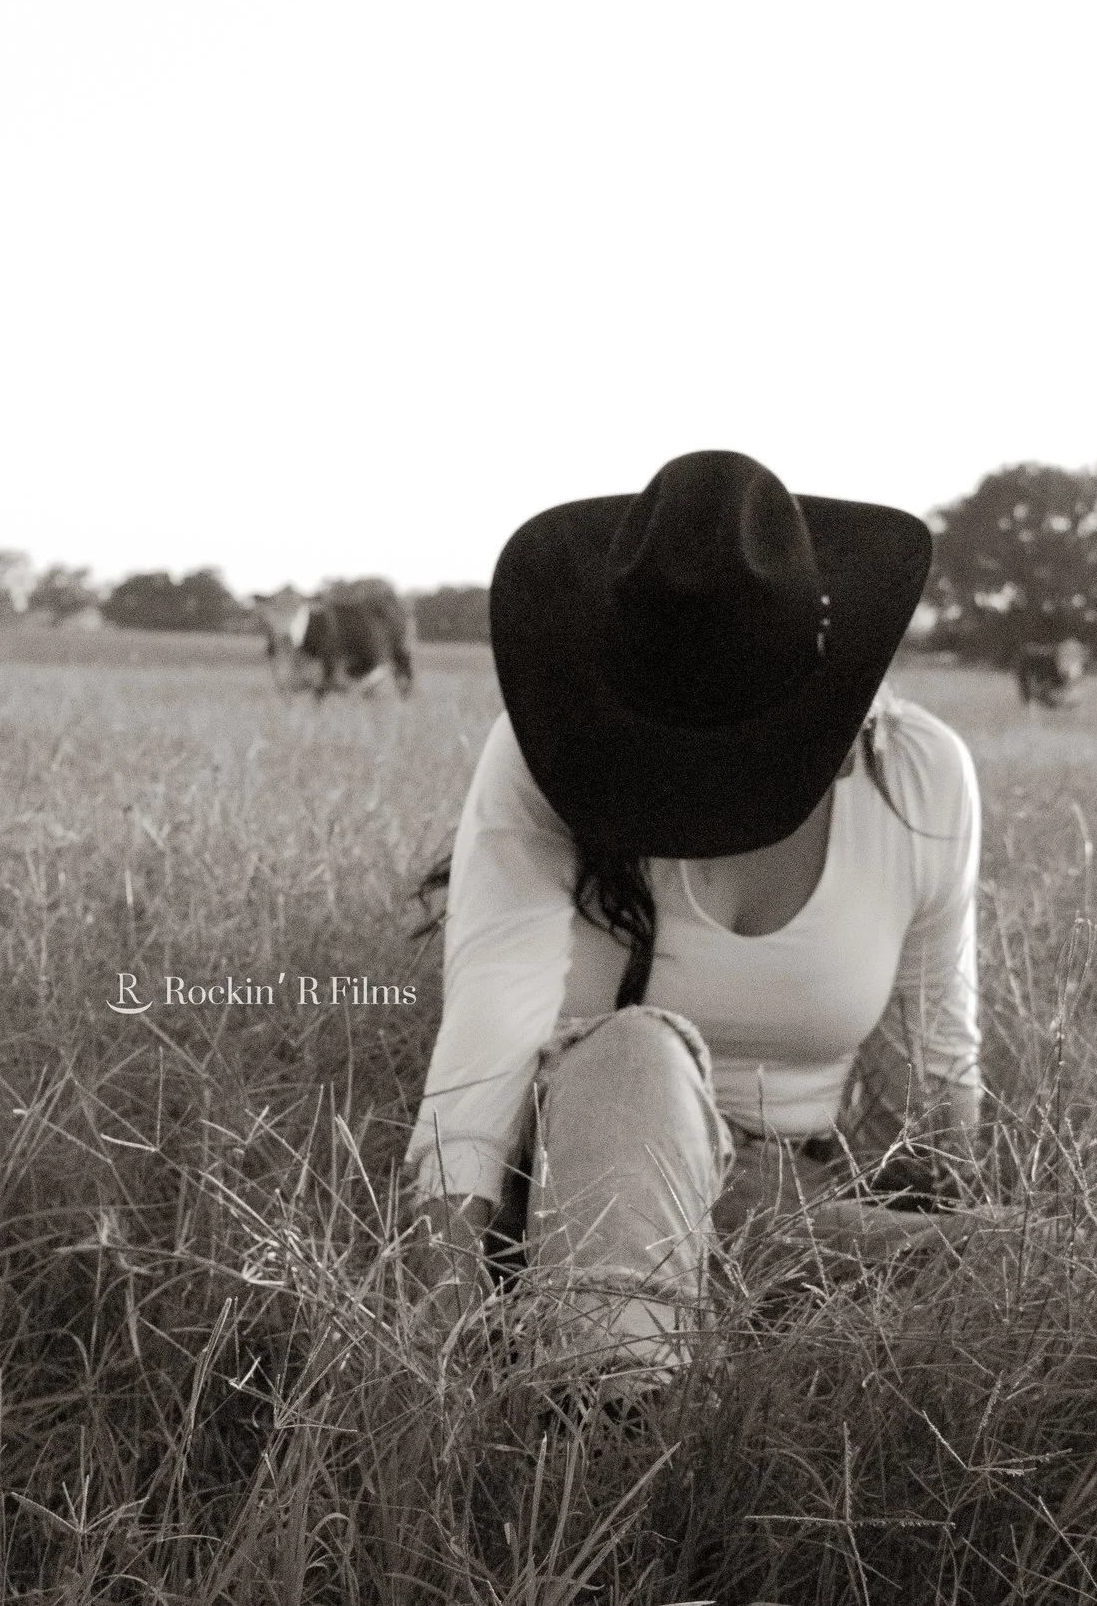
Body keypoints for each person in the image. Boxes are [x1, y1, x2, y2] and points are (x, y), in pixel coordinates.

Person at [403, 449, 1005, 1392]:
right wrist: (438, 1315)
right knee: (636, 1053)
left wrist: (953, 1249)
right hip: (587, 1172)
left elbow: (935, 1063)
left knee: (1046, 1258)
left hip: (799, 1201)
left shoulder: (922, 773)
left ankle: (734, 1321)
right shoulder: (547, 750)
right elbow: (490, 1027)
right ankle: (612, 1428)